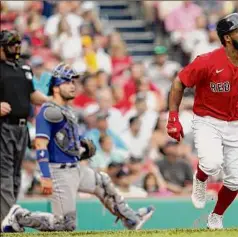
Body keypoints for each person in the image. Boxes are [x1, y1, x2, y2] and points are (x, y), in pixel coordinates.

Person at [1, 63, 154, 233]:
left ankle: (131, 219)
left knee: (102, 182)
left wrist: (81, 150)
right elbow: (40, 144)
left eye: (73, 82)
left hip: (75, 168)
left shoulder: (67, 110)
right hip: (59, 172)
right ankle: (19, 216)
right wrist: (45, 176)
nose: (73, 86)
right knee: (65, 224)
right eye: (67, 82)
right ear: (57, 87)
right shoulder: (48, 111)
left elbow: (64, 145)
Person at [166, 13, 238, 229]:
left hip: (237, 124)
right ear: (227, 38)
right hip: (208, 120)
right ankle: (201, 177)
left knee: (235, 181)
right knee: (212, 164)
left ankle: (216, 216)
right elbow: (179, 83)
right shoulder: (207, 61)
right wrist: (173, 117)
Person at [0, 30, 48, 223]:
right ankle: (7, 219)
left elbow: (32, 95)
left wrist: (52, 101)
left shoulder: (23, 68)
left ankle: (9, 215)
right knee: (4, 173)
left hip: (22, 127)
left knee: (15, 174)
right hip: (3, 126)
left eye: (17, 44)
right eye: (11, 45)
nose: (15, 48)